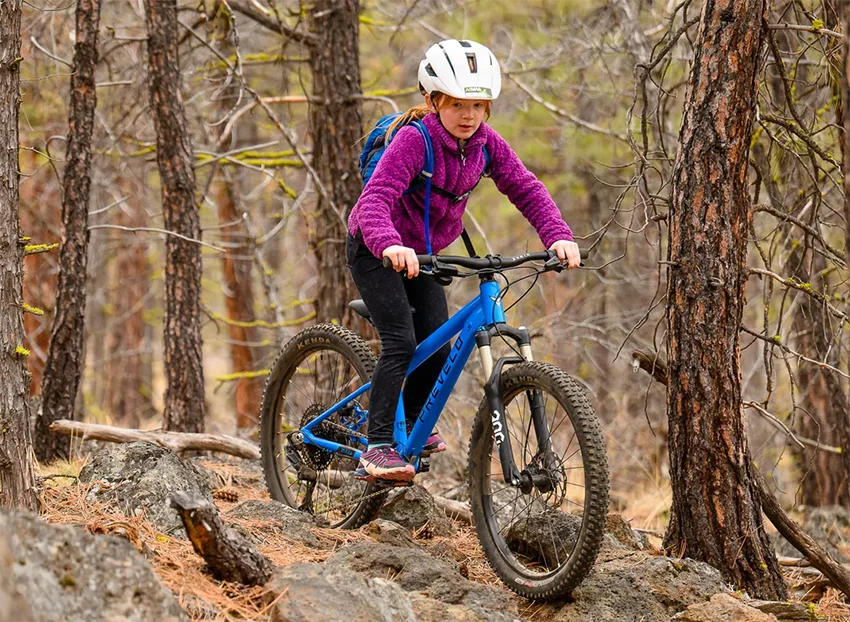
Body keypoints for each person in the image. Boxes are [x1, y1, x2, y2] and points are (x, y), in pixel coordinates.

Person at [346, 39, 581, 482]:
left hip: (425, 254)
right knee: (400, 340)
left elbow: (525, 188)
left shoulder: (487, 144)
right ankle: (376, 445)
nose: (468, 114)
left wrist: (558, 236)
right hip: (375, 246)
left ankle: (412, 423)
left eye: (477, 104)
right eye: (456, 104)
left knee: (437, 343)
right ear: (433, 101)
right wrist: (389, 243)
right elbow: (374, 199)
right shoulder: (417, 141)